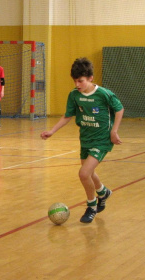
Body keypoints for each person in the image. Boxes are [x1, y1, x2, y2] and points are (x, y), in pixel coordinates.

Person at [41, 57, 124, 224]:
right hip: (85, 139)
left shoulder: (104, 94)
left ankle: (91, 206)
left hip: (102, 140)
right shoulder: (74, 95)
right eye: (75, 81)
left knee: (84, 173)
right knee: (89, 173)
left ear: (90, 78)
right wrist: (52, 131)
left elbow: (119, 109)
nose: (77, 84)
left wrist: (114, 131)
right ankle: (103, 192)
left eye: (81, 81)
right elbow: (67, 116)